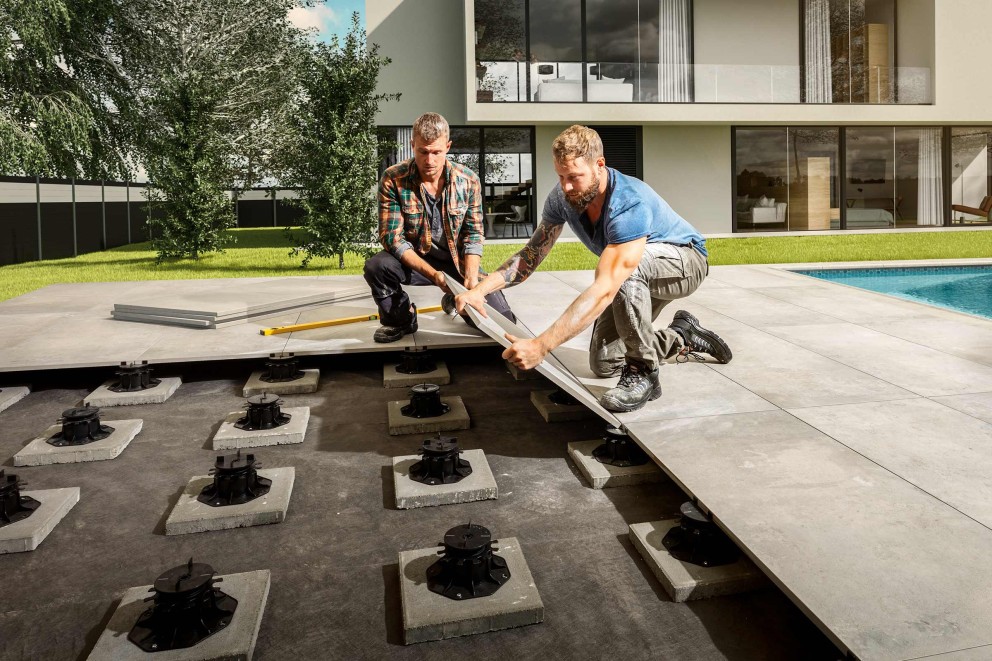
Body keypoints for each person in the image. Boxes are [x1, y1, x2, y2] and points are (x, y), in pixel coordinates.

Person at [455, 125, 732, 412]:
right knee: (604, 363)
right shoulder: (562, 198)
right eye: (561, 176)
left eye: (574, 177)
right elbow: (531, 255)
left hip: (685, 261)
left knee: (626, 273)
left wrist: (541, 346)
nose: (566, 187)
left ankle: (643, 372)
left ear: (599, 165)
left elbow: (608, 285)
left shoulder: (628, 201)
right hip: (635, 273)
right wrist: (480, 291)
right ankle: (681, 335)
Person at [363, 112, 514, 343]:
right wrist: (434, 275)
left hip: (457, 262)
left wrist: (472, 283)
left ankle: (454, 299)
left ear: (448, 146)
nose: (429, 161)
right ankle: (401, 319)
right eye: (423, 151)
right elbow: (392, 238)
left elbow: (473, 234)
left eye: (436, 152)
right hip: (413, 261)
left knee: (501, 323)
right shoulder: (393, 179)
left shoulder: (468, 180)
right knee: (377, 266)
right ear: (413, 145)